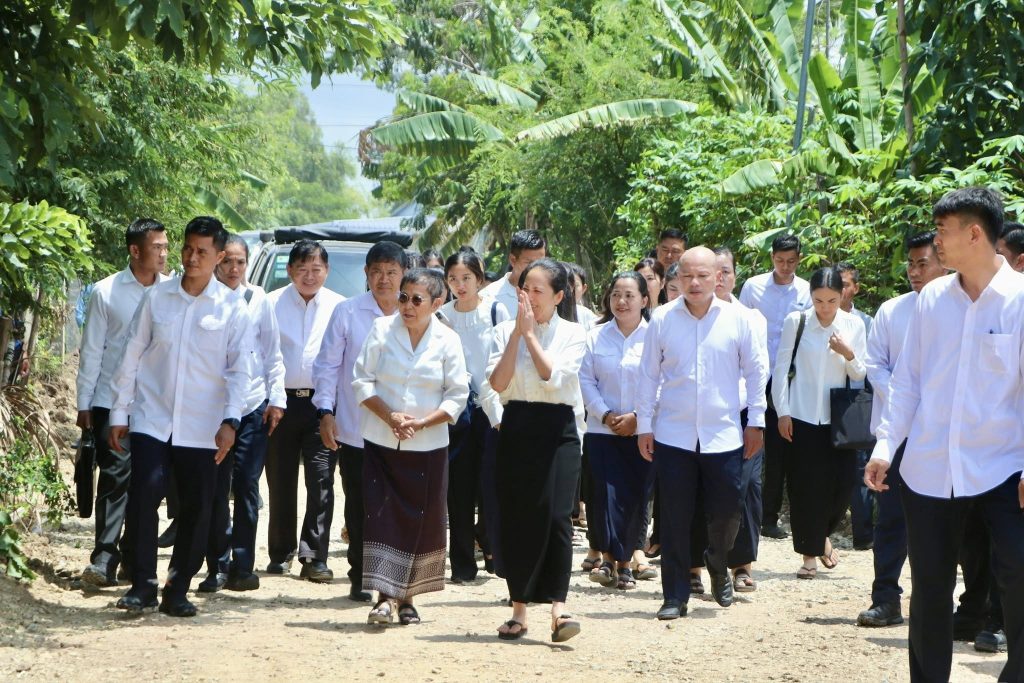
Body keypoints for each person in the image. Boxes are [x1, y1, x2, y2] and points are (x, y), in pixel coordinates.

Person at [865, 187, 1024, 683]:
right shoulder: (932, 299)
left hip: (1005, 466)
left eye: (942, 232)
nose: (936, 243)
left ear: (974, 234)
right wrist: (886, 446)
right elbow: (908, 382)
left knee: (1018, 576)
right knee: (931, 589)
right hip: (930, 468)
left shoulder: (1020, 300)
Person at [109, 216, 252, 617]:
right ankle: (142, 585)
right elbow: (131, 355)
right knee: (143, 497)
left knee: (196, 507)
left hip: (203, 427)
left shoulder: (232, 308)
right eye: (188, 248)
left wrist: (231, 421)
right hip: (152, 419)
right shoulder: (157, 298)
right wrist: (119, 412)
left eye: (202, 251)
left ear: (219, 257)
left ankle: (177, 588)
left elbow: (240, 370)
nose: (191, 257)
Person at [637, 247, 768, 620]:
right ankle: (675, 595)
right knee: (675, 517)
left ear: (719, 277)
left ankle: (717, 559)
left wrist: (756, 421)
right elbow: (648, 375)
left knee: (727, 511)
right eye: (687, 276)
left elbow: (756, 372)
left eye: (703, 276)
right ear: (677, 278)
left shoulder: (739, 319)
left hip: (724, 432)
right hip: (673, 434)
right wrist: (644, 425)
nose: (694, 283)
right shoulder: (662, 319)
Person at [352, 269, 469, 625]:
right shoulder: (381, 329)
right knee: (382, 518)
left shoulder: (448, 340)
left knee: (422, 521)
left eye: (417, 299)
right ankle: (384, 598)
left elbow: (457, 395)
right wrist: (390, 417)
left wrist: (421, 422)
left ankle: (408, 599)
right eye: (403, 297)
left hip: (428, 447)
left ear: (437, 303)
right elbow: (361, 381)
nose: (407, 305)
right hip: (381, 442)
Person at [487, 258, 585, 643]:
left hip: (558, 429)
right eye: (524, 289)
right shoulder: (502, 331)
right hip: (517, 426)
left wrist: (530, 336)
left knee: (559, 516)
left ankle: (559, 609)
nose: (529, 297)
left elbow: (552, 376)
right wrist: (516, 335)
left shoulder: (574, 333)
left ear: (559, 296)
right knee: (519, 517)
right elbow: (498, 383)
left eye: (538, 290)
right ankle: (519, 609)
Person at [855, 232, 946, 628]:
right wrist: (905, 399)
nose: (914, 271)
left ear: (944, 263)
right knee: (890, 519)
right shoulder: (892, 310)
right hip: (896, 435)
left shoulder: (960, 310)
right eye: (910, 264)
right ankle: (886, 599)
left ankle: (944, 605)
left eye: (922, 263)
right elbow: (874, 364)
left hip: (943, 435)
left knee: (942, 523)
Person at [76, 219, 170, 588]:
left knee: (149, 484)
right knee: (115, 477)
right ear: (135, 250)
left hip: (155, 405)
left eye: (166, 247)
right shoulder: (106, 292)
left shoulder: (173, 293)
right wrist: (84, 403)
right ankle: (104, 558)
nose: (163, 253)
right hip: (110, 401)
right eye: (157, 247)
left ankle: (135, 557)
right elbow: (92, 351)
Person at [313, 241, 406, 601]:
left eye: (391, 272)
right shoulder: (347, 312)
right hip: (355, 429)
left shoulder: (413, 312)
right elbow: (327, 366)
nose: (384, 279)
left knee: (395, 503)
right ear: (366, 274)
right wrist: (325, 412)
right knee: (359, 503)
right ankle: (360, 574)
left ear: (403, 274)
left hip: (402, 431)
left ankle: (392, 577)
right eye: (377, 272)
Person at [199, 235, 286, 592]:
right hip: (214, 408)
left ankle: (242, 565)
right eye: (228, 261)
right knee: (216, 488)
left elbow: (272, 353)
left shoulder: (259, 299)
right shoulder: (204, 298)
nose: (234, 268)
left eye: (240, 262)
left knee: (248, 485)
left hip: (252, 406)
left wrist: (276, 398)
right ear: (217, 261)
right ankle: (216, 565)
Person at [772, 266, 866, 579]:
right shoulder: (796, 322)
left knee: (842, 486)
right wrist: (782, 412)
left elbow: (860, 373)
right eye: (819, 301)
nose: (825, 308)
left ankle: (821, 536)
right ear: (810, 297)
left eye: (832, 301)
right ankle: (809, 555)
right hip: (801, 416)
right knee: (804, 488)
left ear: (843, 295)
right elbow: (781, 369)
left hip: (838, 419)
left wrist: (848, 353)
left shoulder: (853, 324)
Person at [264, 240, 345, 582]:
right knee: (280, 480)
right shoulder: (271, 303)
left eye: (316, 269)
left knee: (321, 479)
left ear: (327, 271)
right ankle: (280, 553)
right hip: (279, 404)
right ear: (289, 271)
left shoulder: (339, 307)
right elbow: (264, 355)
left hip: (322, 406)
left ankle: (314, 556)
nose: (309, 276)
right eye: (302, 269)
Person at [579, 272, 652, 591]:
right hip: (601, 431)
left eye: (629, 295)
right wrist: (605, 415)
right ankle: (608, 558)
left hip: (642, 432)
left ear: (644, 300)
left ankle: (624, 563)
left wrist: (637, 416)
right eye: (615, 295)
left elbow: (662, 382)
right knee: (603, 497)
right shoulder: (595, 336)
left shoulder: (655, 337)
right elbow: (585, 380)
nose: (621, 301)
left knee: (634, 497)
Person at [739, 234, 811, 539]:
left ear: (799, 259)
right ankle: (743, 511)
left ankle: (770, 517)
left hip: (789, 379)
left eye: (791, 261)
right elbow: (740, 326)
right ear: (772, 258)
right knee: (750, 441)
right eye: (780, 260)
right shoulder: (752, 287)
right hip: (755, 375)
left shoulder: (807, 290)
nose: (785, 266)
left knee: (781, 448)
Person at [441, 248, 502, 583]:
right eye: (453, 279)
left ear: (479, 279)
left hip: (491, 410)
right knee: (459, 490)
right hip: (456, 410)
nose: (460, 285)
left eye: (466, 278)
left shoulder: (495, 310)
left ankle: (491, 544)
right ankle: (463, 565)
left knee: (492, 486)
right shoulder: (442, 315)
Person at [836, 261, 875, 551]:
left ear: (856, 288)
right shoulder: (814, 318)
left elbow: (873, 365)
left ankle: (863, 534)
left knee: (861, 467)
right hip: (822, 402)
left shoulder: (867, 322)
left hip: (856, 401)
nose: (839, 290)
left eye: (845, 284)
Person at [479, 229, 547, 322]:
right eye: (530, 263)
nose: (537, 268)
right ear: (513, 260)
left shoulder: (551, 293)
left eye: (541, 262)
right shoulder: (488, 297)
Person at [567, 262, 599, 330]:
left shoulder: (588, 317)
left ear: (583, 289)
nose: (570, 290)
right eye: (566, 286)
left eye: (575, 286)